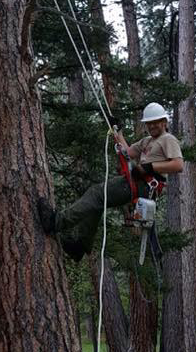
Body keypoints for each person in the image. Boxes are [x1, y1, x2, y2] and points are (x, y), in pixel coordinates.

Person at [38, 102, 184, 261]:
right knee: (98, 200)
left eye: (156, 122)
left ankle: (56, 222)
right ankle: (80, 246)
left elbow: (178, 164)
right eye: (149, 123)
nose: (152, 126)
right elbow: (127, 152)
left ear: (164, 122)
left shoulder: (168, 139)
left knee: (97, 194)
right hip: (137, 181)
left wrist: (149, 167)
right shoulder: (147, 141)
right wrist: (118, 131)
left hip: (145, 185)